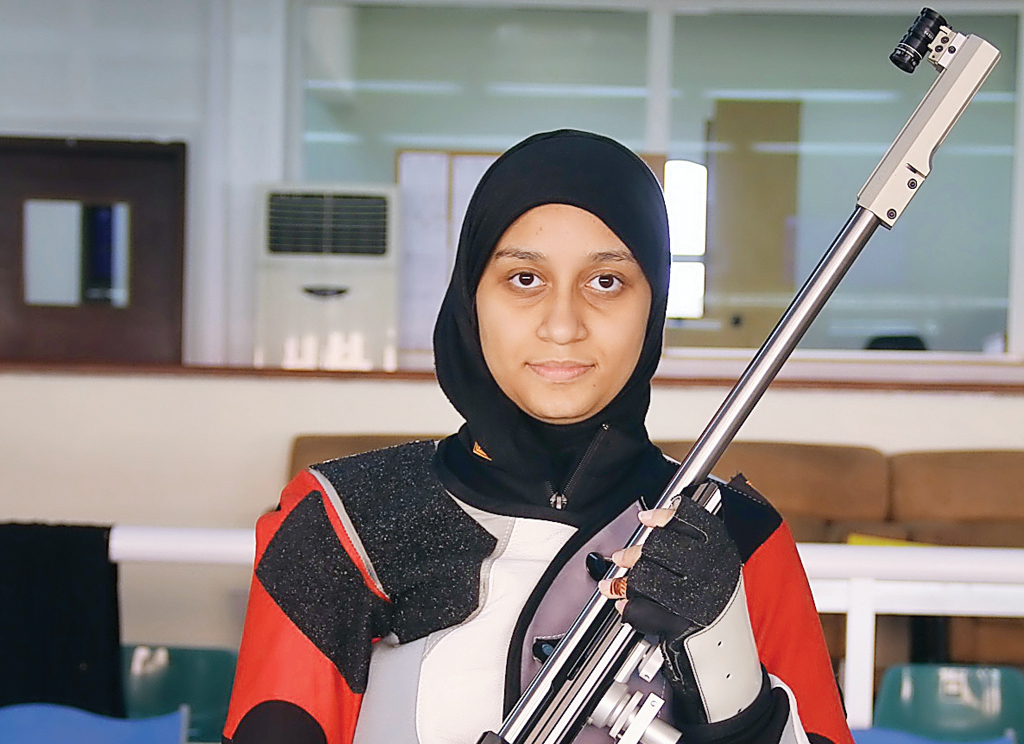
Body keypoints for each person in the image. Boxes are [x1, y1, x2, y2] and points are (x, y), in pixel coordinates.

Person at [223, 130, 854, 744]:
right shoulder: (342, 522)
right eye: (525, 278)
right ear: (472, 297)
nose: (562, 324)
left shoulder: (731, 535)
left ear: (653, 303)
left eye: (606, 281)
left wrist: (730, 678)